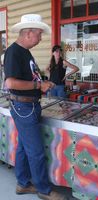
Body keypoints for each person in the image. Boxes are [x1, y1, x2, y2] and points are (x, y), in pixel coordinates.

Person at [4, 14, 66, 200]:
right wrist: (40, 86)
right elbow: (11, 83)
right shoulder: (14, 52)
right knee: (36, 152)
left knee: (24, 147)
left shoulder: (25, 52)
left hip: (28, 107)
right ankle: (43, 190)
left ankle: (23, 183)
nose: (40, 38)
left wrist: (44, 83)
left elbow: (29, 78)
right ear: (29, 33)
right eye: (39, 34)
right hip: (24, 108)